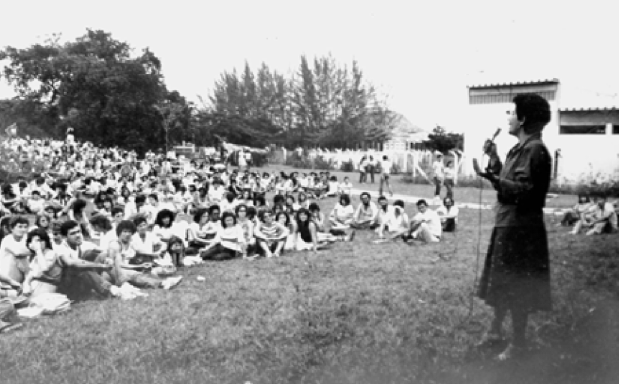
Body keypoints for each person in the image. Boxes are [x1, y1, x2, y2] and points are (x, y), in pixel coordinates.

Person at [475, 93, 553, 360]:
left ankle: (518, 343)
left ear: (523, 119)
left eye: (511, 112)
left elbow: (525, 192)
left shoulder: (535, 150)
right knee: (501, 280)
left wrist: (494, 178)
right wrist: (494, 159)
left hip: (522, 230)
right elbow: (508, 180)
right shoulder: (517, 149)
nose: (507, 117)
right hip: (507, 225)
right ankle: (495, 331)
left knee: (517, 285)